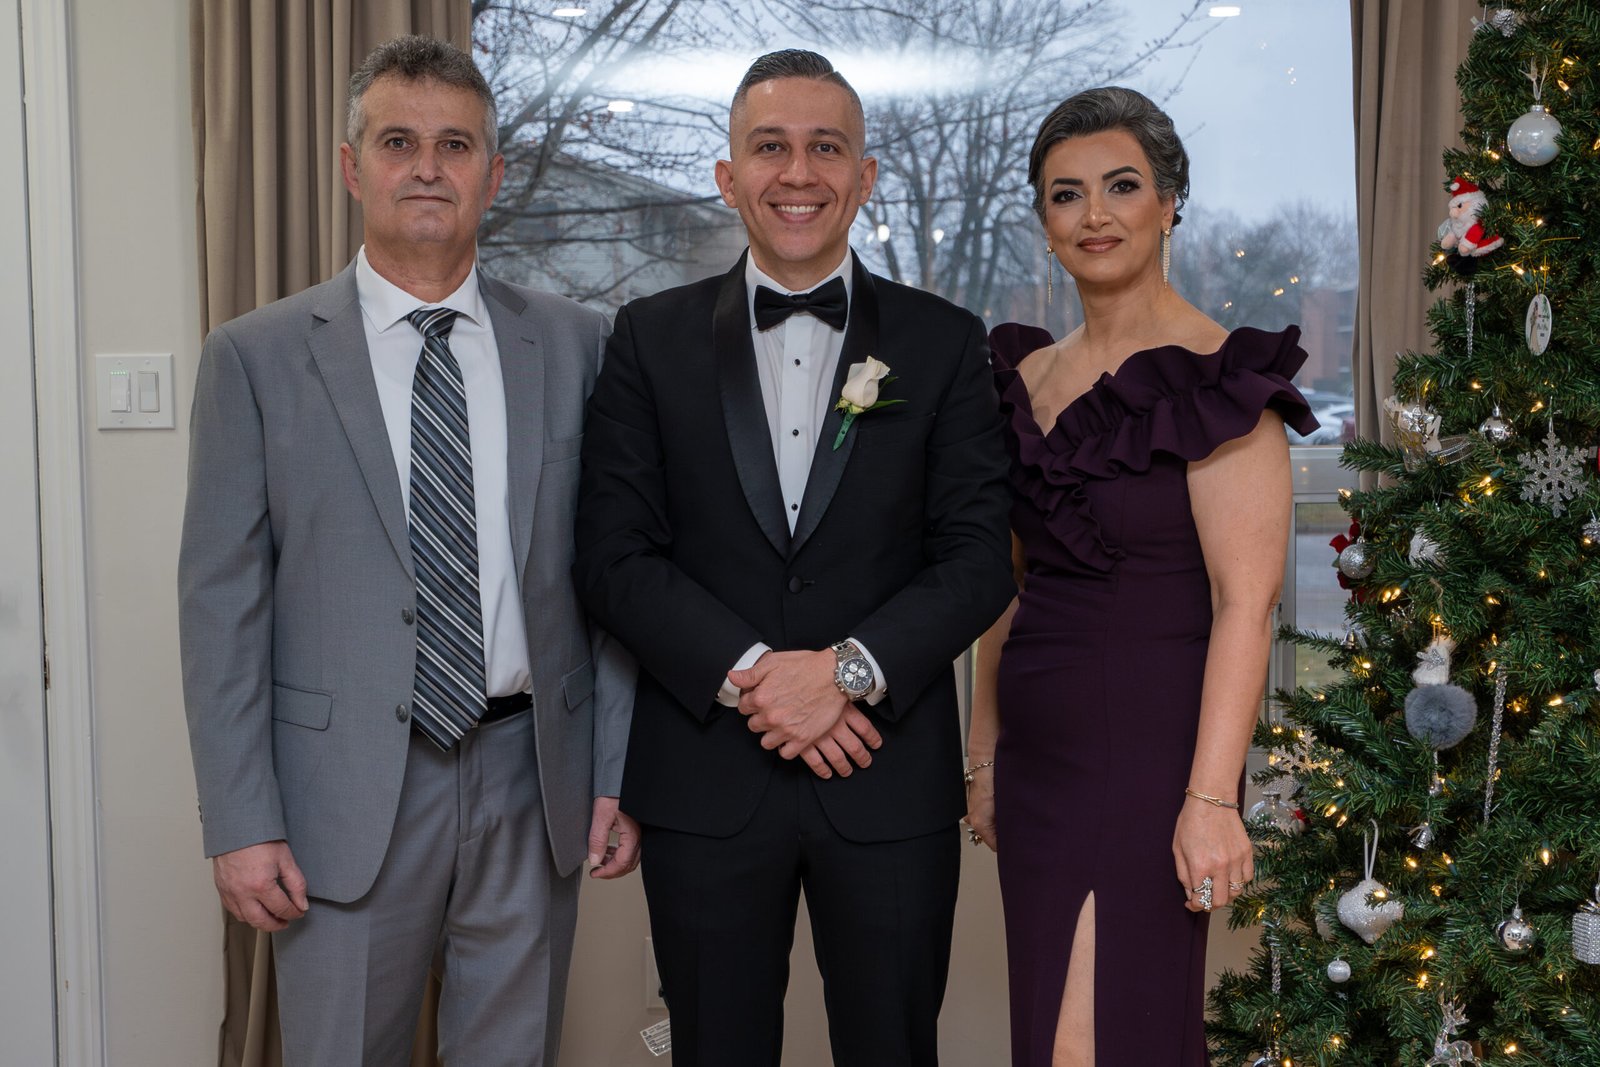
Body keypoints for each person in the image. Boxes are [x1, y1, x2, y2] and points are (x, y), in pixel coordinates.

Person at [178, 35, 637, 1066]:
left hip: (533, 778)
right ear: (353, 168)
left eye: (454, 145)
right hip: (337, 793)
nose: (427, 167)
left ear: (492, 174)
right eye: (398, 142)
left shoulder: (578, 344)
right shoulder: (254, 357)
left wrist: (615, 769)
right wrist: (240, 819)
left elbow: (613, 578)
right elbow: (221, 606)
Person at [572, 48, 1015, 1067]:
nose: (799, 173)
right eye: (770, 147)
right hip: (705, 780)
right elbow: (612, 555)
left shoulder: (946, 341)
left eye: (827, 147)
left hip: (886, 773)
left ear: (865, 175)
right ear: (728, 176)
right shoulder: (646, 338)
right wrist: (757, 677)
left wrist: (846, 673)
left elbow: (977, 556)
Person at [963, 87, 1319, 1066]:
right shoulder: (1026, 380)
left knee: (1101, 1035)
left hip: (1153, 754)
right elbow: (1005, 590)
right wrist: (984, 755)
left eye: (1121, 186)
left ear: (1169, 202)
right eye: (1065, 194)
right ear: (1044, 222)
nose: (1094, 214)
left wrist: (1211, 799)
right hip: (1037, 759)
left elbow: (1246, 605)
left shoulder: (1217, 380)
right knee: (1051, 1030)